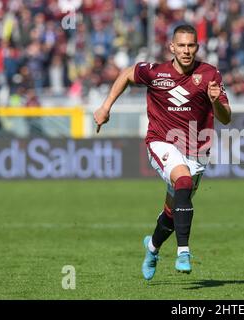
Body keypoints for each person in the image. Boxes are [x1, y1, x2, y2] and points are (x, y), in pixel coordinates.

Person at [93, 25, 231, 280]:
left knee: (173, 209)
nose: (186, 50)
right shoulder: (156, 72)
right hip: (161, 142)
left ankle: (152, 248)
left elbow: (226, 117)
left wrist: (215, 101)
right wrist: (105, 106)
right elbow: (126, 74)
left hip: (197, 150)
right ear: (172, 47)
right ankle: (184, 252)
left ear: (197, 47)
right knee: (183, 181)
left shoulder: (210, 74)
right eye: (182, 45)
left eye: (191, 45)